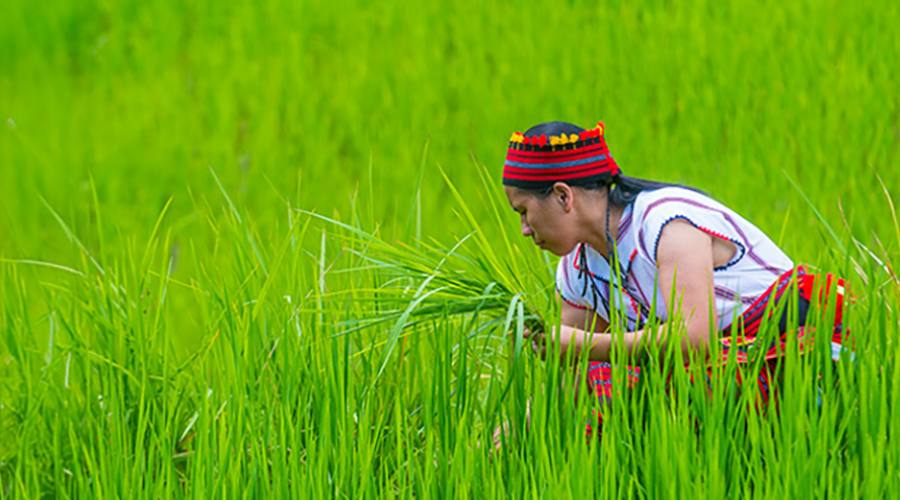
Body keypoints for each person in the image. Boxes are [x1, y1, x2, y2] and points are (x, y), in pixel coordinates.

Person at [502, 120, 850, 418]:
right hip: (719, 362)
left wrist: (589, 345)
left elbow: (694, 337)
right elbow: (573, 373)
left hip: (789, 343)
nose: (525, 230)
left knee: (667, 393)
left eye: (523, 211)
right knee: (601, 402)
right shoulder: (577, 268)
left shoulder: (663, 223)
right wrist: (522, 426)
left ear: (564, 196)